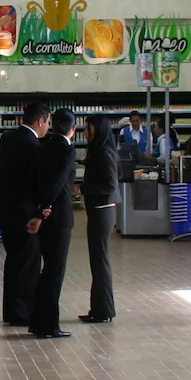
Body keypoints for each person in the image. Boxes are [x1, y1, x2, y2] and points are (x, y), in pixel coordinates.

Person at [0, 101, 50, 327]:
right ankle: (22, 313)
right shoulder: (34, 146)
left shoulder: (8, 138)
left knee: (14, 261)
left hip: (6, 211)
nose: (47, 127)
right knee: (28, 263)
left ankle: (12, 310)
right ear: (40, 121)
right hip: (25, 214)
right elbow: (36, 181)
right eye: (47, 122)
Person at [29, 107, 78, 338]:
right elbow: (57, 184)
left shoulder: (42, 146)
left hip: (44, 214)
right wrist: (44, 209)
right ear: (73, 129)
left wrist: (38, 210)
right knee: (55, 272)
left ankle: (37, 322)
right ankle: (49, 325)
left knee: (46, 269)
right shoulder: (66, 150)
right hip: (58, 217)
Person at [79, 116, 119, 324]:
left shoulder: (105, 154)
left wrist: (83, 189)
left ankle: (104, 310)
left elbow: (110, 185)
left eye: (89, 128)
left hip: (103, 211)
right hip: (97, 210)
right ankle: (98, 308)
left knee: (100, 261)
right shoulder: (98, 152)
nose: (86, 132)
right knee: (97, 261)